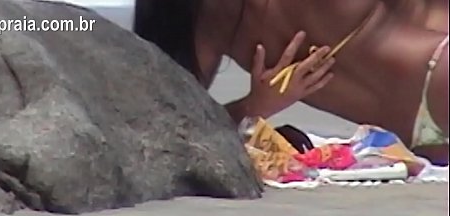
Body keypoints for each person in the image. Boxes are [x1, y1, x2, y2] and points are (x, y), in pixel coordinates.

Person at [134, 0, 449, 164]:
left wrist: (253, 105)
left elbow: (164, 131)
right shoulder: (207, 19)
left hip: (419, 139)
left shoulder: (202, 22)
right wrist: (256, 105)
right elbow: (168, 130)